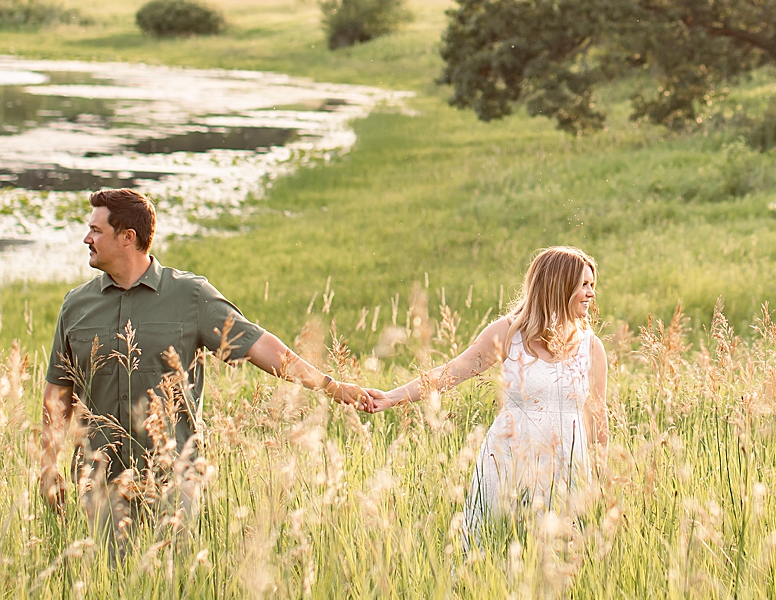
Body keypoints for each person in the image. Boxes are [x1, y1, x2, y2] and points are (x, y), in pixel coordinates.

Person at [39, 179, 376, 541]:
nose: (87, 239)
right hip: (100, 481)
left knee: (173, 589)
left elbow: (260, 346)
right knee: (105, 587)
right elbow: (58, 393)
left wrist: (333, 387)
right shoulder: (76, 305)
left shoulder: (190, 295)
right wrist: (47, 464)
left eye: (95, 230)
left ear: (127, 237)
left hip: (172, 479)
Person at [371, 242, 607, 541]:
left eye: (592, 284)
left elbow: (598, 418)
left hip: (566, 465)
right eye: (584, 284)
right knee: (497, 549)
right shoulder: (508, 333)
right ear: (559, 285)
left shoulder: (591, 347)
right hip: (509, 460)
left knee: (559, 558)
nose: (591, 293)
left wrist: (600, 476)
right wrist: (392, 397)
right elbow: (450, 373)